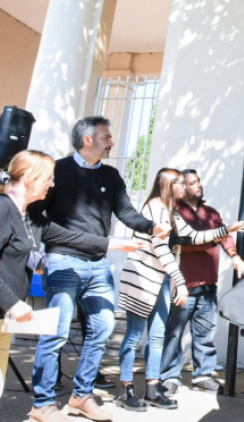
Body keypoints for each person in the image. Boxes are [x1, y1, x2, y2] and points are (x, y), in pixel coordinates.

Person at [29, 117, 170, 422]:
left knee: (103, 328)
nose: (112, 142)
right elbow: (37, 218)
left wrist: (151, 226)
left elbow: (127, 211)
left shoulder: (111, 175)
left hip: (97, 266)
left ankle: (81, 396)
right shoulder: (58, 171)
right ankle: (42, 404)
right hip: (63, 263)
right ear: (88, 140)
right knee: (55, 333)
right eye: (106, 136)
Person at [0, 151, 143, 404]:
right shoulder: (2, 209)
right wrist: (11, 301)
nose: (52, 184)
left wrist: (114, 244)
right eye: (48, 178)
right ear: (30, 177)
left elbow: (69, 237)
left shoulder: (31, 217)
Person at [117, 168, 243, 412]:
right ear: (168, 184)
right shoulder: (155, 207)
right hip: (144, 278)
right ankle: (127, 389)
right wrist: (180, 279)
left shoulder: (173, 210)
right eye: (181, 183)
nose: (186, 187)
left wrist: (226, 231)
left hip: (164, 280)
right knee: (136, 336)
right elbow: (164, 247)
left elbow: (192, 236)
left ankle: (152, 389)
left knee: (157, 335)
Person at [158, 170, 244, 397]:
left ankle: (203, 376)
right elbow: (184, 242)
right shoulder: (175, 211)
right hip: (182, 286)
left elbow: (225, 236)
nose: (198, 185)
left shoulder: (211, 212)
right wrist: (212, 239)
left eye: (198, 181)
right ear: (182, 187)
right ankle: (169, 377)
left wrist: (235, 256)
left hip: (208, 285)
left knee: (205, 334)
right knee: (174, 334)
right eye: (192, 183)